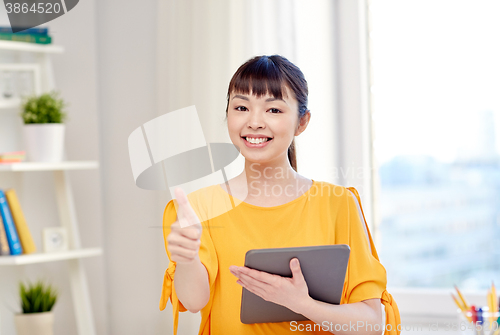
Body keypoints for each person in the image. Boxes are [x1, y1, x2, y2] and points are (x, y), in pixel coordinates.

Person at [159, 55, 401, 334]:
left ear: (302, 122)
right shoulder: (201, 207)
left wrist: (302, 304)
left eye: (273, 110)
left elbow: (370, 324)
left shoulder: (338, 204)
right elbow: (193, 301)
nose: (254, 122)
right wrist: (187, 257)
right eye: (241, 107)